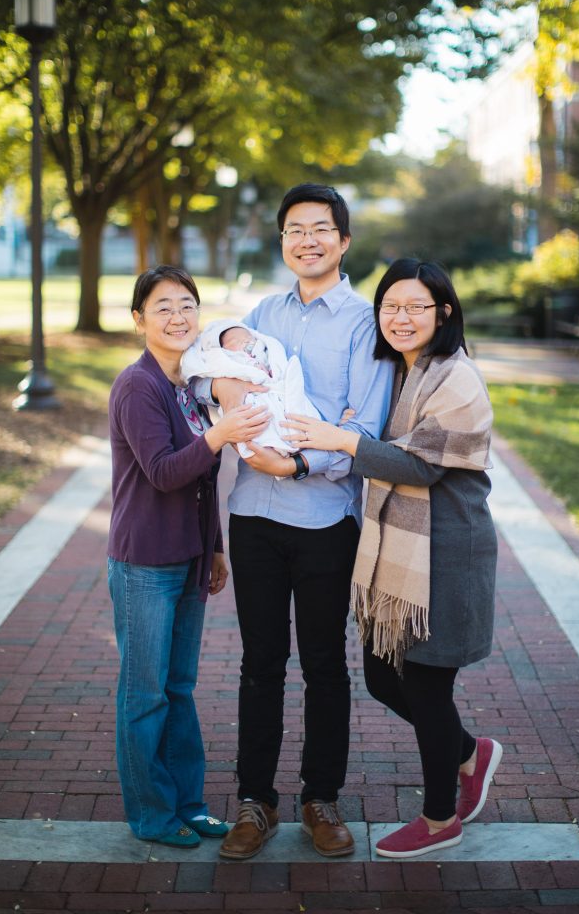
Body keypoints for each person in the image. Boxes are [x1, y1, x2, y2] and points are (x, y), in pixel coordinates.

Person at [195, 184, 394, 860]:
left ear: (341, 240)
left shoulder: (365, 322)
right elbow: (213, 375)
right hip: (252, 513)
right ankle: (255, 801)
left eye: (319, 229)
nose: (305, 240)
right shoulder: (261, 314)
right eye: (293, 230)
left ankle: (320, 798)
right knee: (259, 663)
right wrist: (225, 387)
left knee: (323, 664)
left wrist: (302, 466)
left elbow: (363, 424)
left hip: (324, 517)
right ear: (282, 241)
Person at [284, 258, 502, 860]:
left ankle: (440, 821)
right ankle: (466, 753)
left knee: (429, 686)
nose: (400, 318)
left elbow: (420, 466)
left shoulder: (456, 379)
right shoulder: (401, 372)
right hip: (402, 555)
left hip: (446, 553)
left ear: (444, 313)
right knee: (383, 675)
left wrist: (339, 439)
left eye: (415, 307)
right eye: (391, 307)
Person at [107, 264, 271, 847]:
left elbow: (205, 483)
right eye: (162, 307)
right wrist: (222, 434)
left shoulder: (192, 384)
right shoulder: (138, 385)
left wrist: (216, 547)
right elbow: (163, 473)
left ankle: (190, 804)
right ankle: (153, 814)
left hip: (190, 557)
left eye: (186, 306)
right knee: (144, 693)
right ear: (138, 320)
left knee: (179, 688)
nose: (177, 318)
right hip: (144, 564)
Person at [180, 317, 321, 459]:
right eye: (232, 342)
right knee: (258, 421)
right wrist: (219, 386)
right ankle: (274, 442)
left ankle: (293, 439)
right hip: (255, 400)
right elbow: (198, 383)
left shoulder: (263, 348)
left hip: (281, 391)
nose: (243, 343)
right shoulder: (228, 357)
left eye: (246, 339)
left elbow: (274, 360)